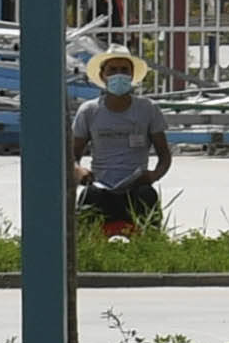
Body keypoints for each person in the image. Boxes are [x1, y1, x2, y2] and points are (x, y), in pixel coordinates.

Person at [70, 44, 174, 239]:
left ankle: (150, 247)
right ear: (103, 76)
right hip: (101, 186)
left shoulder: (148, 109)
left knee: (147, 197)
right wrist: (79, 171)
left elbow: (164, 155)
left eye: (124, 70)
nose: (119, 74)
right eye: (113, 70)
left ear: (132, 75)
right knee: (88, 199)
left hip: (136, 186)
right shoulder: (89, 111)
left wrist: (153, 176)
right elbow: (72, 155)